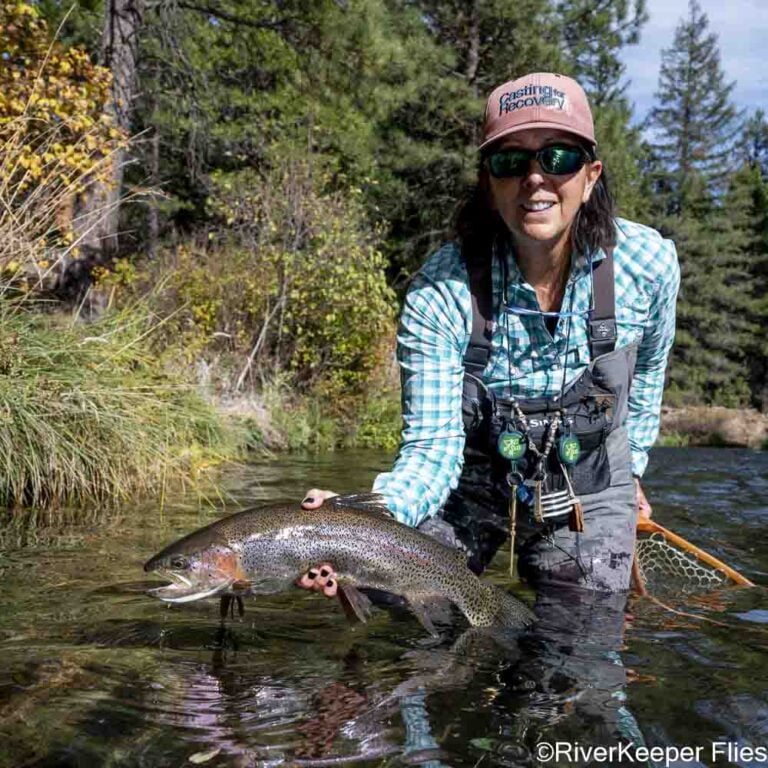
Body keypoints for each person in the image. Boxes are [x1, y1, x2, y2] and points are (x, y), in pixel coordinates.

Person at [298, 72, 679, 599]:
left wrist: (632, 465)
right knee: (392, 592)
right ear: (489, 183)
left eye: (558, 158)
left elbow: (650, 370)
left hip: (589, 483)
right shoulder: (440, 291)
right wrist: (354, 522)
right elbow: (430, 450)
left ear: (590, 176)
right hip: (471, 481)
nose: (535, 178)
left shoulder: (650, 265)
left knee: (578, 651)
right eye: (510, 161)